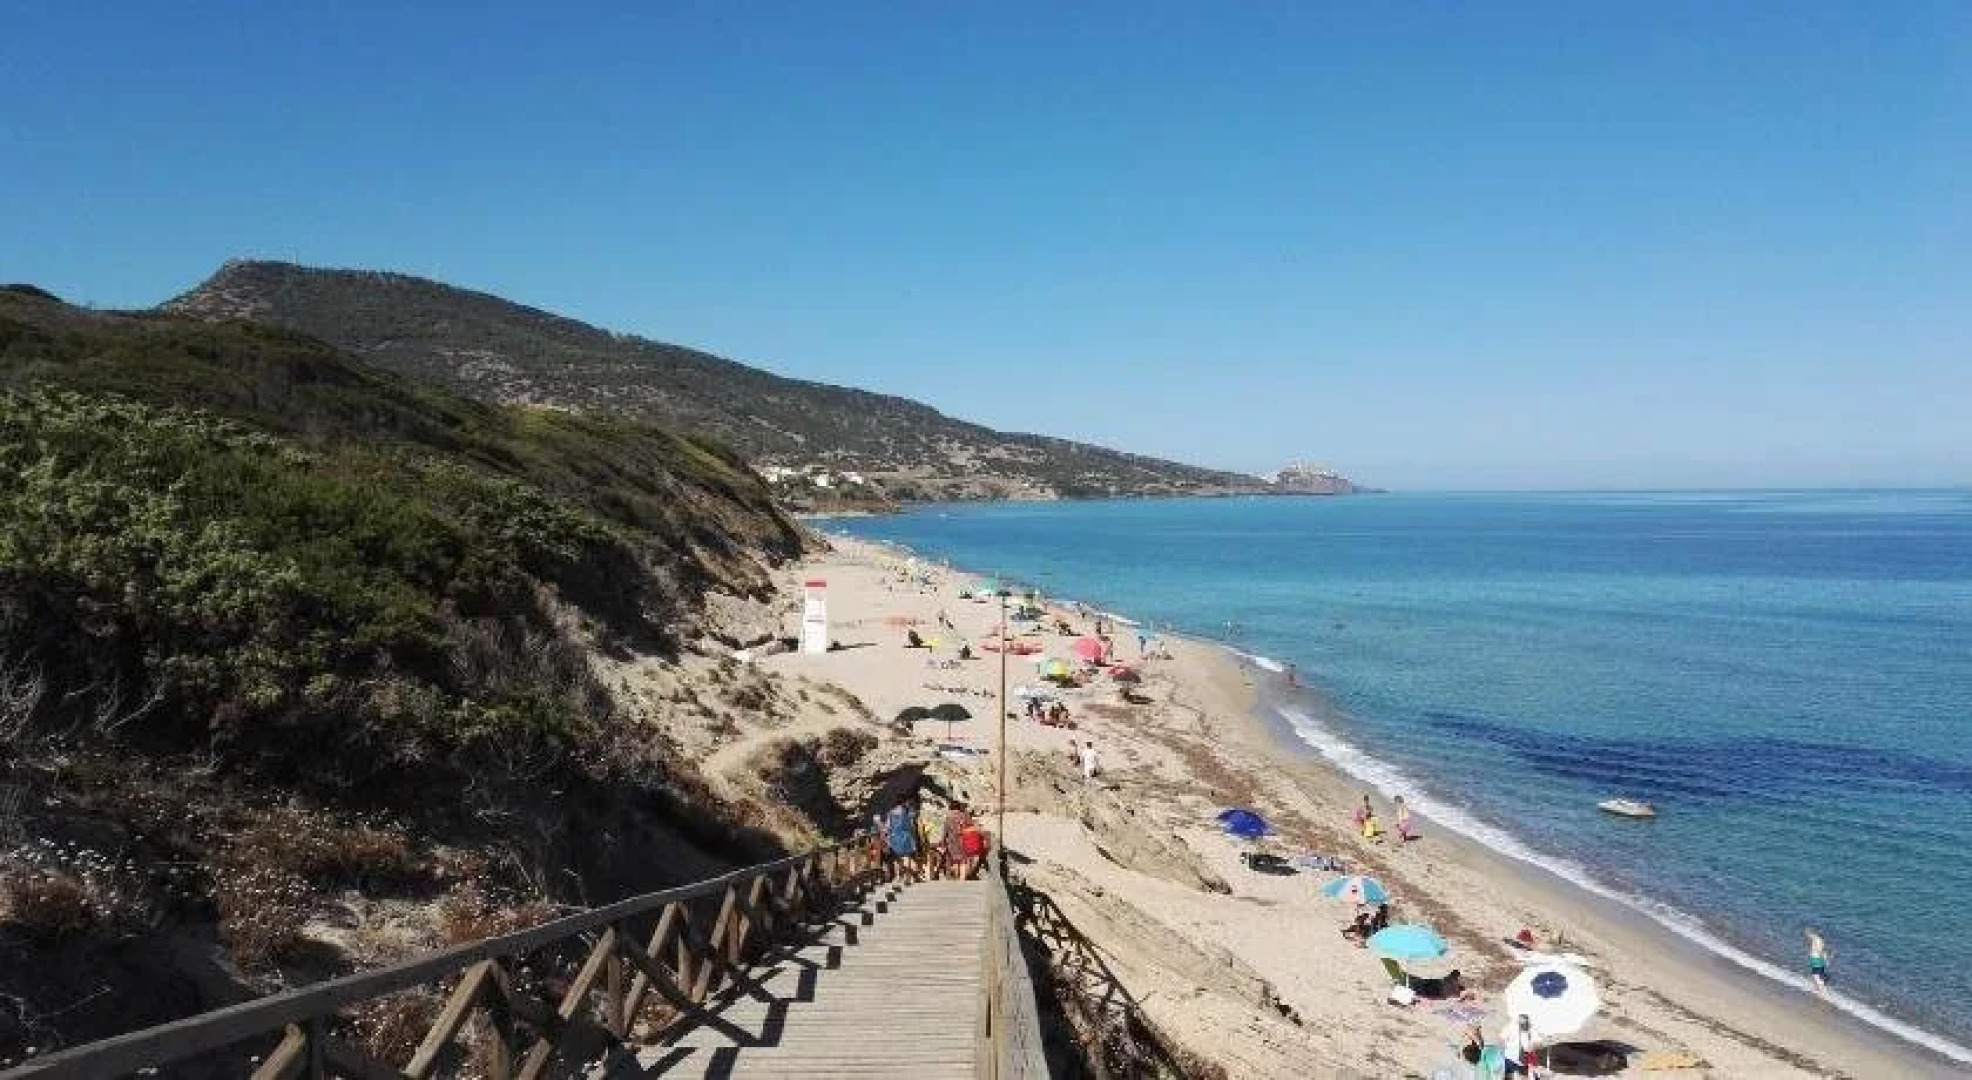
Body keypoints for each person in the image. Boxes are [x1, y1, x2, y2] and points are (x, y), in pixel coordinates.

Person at [884, 796, 919, 882]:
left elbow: (888, 827)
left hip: (894, 837)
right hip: (906, 836)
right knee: (907, 856)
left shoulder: (890, 813)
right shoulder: (906, 812)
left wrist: (886, 835)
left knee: (897, 858)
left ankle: (899, 876)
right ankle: (908, 876)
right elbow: (910, 826)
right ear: (902, 803)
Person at [1806, 928, 1831, 994]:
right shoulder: (1817, 939)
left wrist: (1825, 960)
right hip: (1817, 960)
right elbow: (1824, 951)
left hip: (1816, 960)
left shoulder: (1818, 941)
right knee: (1819, 975)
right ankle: (1820, 988)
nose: (1808, 935)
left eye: (1808, 934)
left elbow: (1820, 951)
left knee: (1815, 975)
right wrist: (1825, 960)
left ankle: (1823, 991)